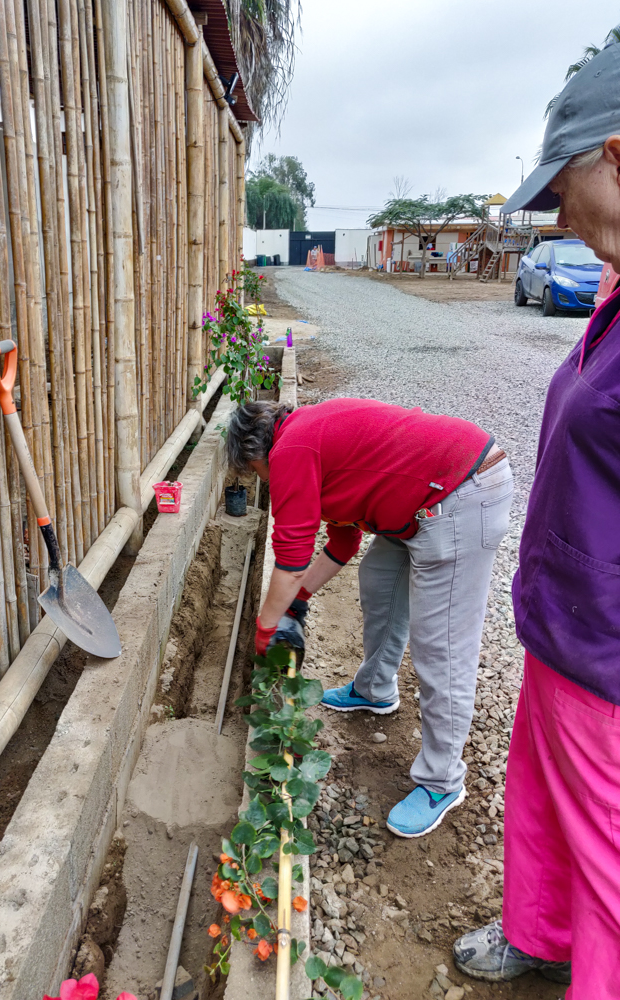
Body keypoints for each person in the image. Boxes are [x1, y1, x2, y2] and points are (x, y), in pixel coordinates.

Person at [453, 41, 620, 998]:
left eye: (562, 190)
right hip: (564, 622)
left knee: (610, 860)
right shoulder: (614, 287)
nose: (557, 219)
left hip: (610, 654)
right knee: (543, 801)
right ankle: (538, 933)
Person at [226, 397, 513, 838]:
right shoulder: (308, 440)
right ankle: (375, 689)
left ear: (255, 454)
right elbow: (342, 543)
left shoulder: (292, 451)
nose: (261, 481)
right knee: (380, 581)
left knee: (442, 646)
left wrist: (266, 626)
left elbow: (291, 556)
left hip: (459, 493)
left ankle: (442, 782)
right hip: (421, 500)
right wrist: (297, 599)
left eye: (254, 472)